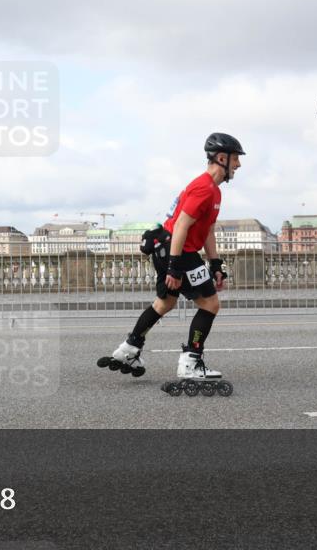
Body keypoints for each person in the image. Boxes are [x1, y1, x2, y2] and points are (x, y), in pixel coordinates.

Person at [99, 132, 244, 396]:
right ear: (221, 158)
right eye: (235, 159)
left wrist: (215, 264)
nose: (238, 165)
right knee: (210, 304)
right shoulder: (204, 187)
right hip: (179, 251)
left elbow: (208, 230)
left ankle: (130, 348)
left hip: (172, 249)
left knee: (165, 302)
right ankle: (191, 361)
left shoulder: (214, 192)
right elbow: (181, 226)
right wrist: (175, 267)